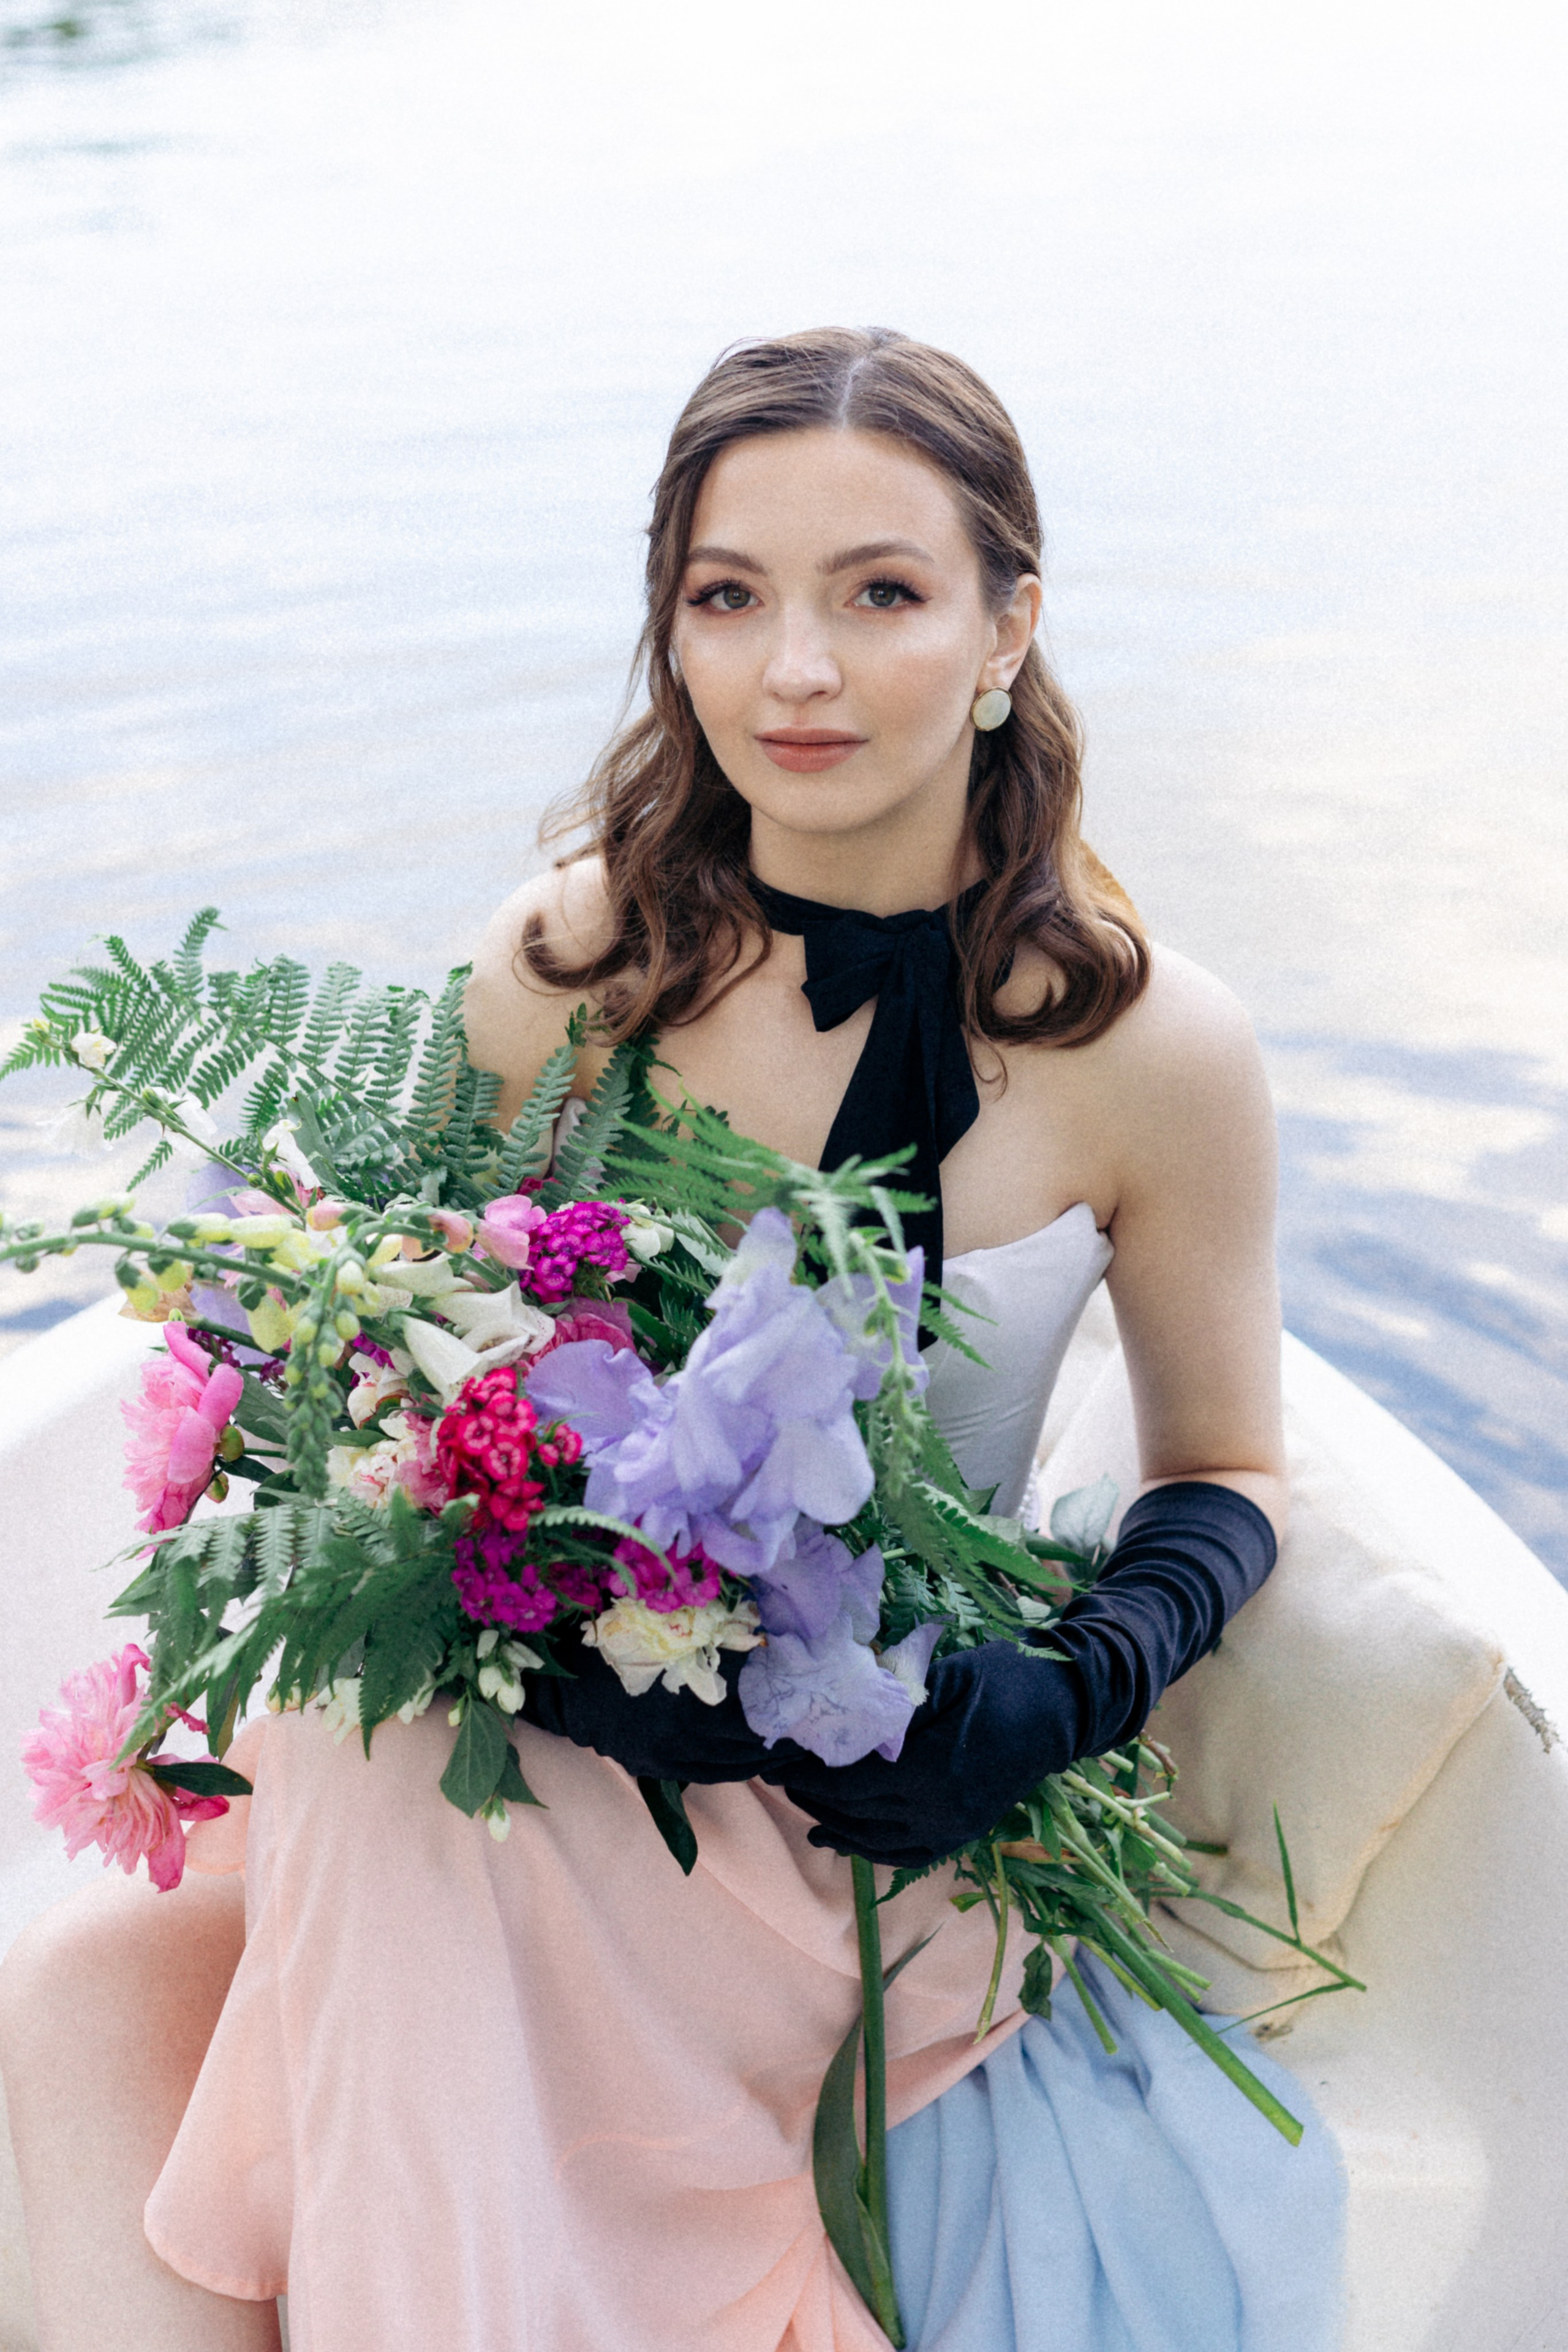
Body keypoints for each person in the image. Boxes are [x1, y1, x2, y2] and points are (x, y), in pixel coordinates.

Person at [0, 327, 1343, 2351]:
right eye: (729, 598)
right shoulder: (563, 970)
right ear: (675, 634)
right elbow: (402, 1373)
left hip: (877, 1789)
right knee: (200, 1931)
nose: (793, 671)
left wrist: (1062, 1689)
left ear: (1009, 626)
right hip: (535, 1724)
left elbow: (1225, 1465)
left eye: (880, 593)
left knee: (391, 1869)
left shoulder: (1156, 1052)